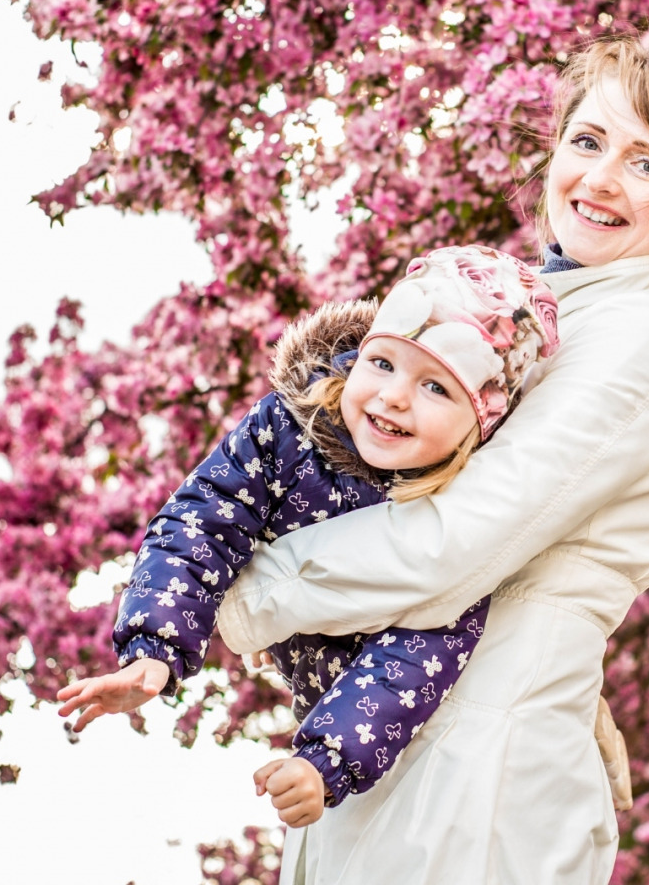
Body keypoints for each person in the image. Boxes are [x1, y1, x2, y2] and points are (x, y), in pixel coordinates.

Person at [216, 18, 649, 884]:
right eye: (588, 141)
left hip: (474, 780)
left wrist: (231, 603)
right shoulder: (553, 314)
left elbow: (462, 539)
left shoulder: (644, 333)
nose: (602, 180)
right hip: (411, 742)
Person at [55, 246, 560, 827]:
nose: (394, 396)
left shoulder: (461, 512)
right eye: (384, 363)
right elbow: (200, 522)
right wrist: (154, 649)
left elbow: (421, 648)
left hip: (416, 740)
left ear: (481, 421)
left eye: (438, 388)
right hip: (323, 712)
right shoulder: (287, 432)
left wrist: (327, 760)